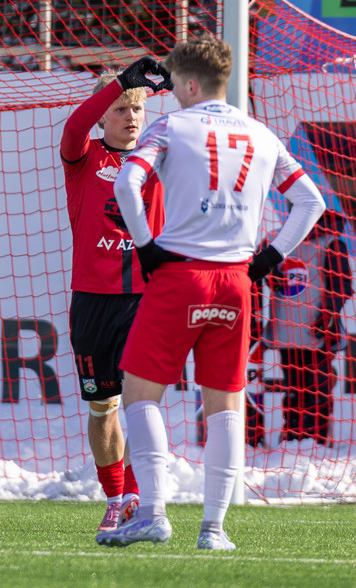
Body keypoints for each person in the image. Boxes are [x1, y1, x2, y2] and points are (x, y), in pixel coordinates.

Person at [97, 32, 325, 552]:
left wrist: (146, 247)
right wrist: (268, 259)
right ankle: (214, 529)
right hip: (236, 283)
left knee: (139, 394)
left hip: (180, 275)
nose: (175, 93)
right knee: (225, 404)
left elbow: (125, 184)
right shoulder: (263, 135)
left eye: (177, 83)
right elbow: (311, 201)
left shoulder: (171, 126)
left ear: (192, 83)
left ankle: (153, 514)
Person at [60, 56, 169, 533]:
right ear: (104, 115)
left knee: (139, 404)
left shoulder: (160, 159)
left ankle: (139, 500)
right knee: (102, 408)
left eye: (137, 108)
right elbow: (74, 126)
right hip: (92, 301)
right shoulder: (83, 157)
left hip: (146, 299)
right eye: (121, 108)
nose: (130, 116)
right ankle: (116, 496)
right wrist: (120, 83)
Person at [254, 210, 352, 444]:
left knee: (314, 386)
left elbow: (341, 284)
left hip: (317, 330)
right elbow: (255, 272)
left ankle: (314, 437)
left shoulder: (330, 242)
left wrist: (329, 312)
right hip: (288, 328)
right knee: (295, 385)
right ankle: (295, 434)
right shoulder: (276, 239)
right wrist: (271, 277)